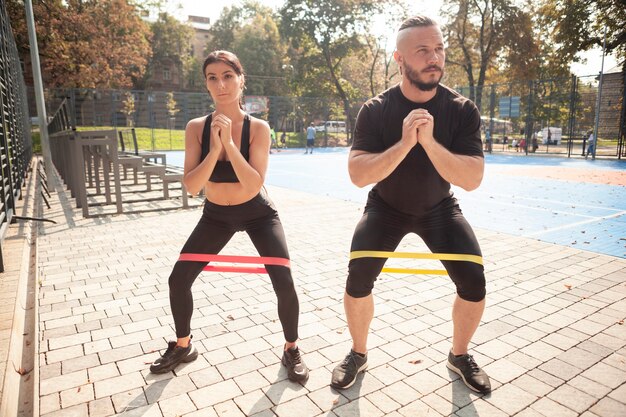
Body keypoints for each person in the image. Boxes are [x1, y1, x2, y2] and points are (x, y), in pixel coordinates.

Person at [330, 15, 491, 394]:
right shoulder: (376, 109)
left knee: (474, 281)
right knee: (358, 279)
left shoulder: (461, 109)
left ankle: (460, 354)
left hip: (440, 208)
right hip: (385, 208)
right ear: (399, 59)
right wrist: (405, 143)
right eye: (422, 51)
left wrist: (430, 142)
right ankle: (358, 352)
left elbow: (472, 179)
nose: (434, 57)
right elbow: (357, 174)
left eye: (438, 49)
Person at [149, 50, 309, 383]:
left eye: (227, 76)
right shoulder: (196, 128)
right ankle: (183, 345)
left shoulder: (258, 128)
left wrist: (231, 146)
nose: (220, 84)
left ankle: (291, 347)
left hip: (257, 215)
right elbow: (193, 186)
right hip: (216, 216)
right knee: (178, 279)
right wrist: (215, 150)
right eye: (212, 77)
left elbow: (253, 183)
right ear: (206, 84)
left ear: (240, 80)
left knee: (284, 281)